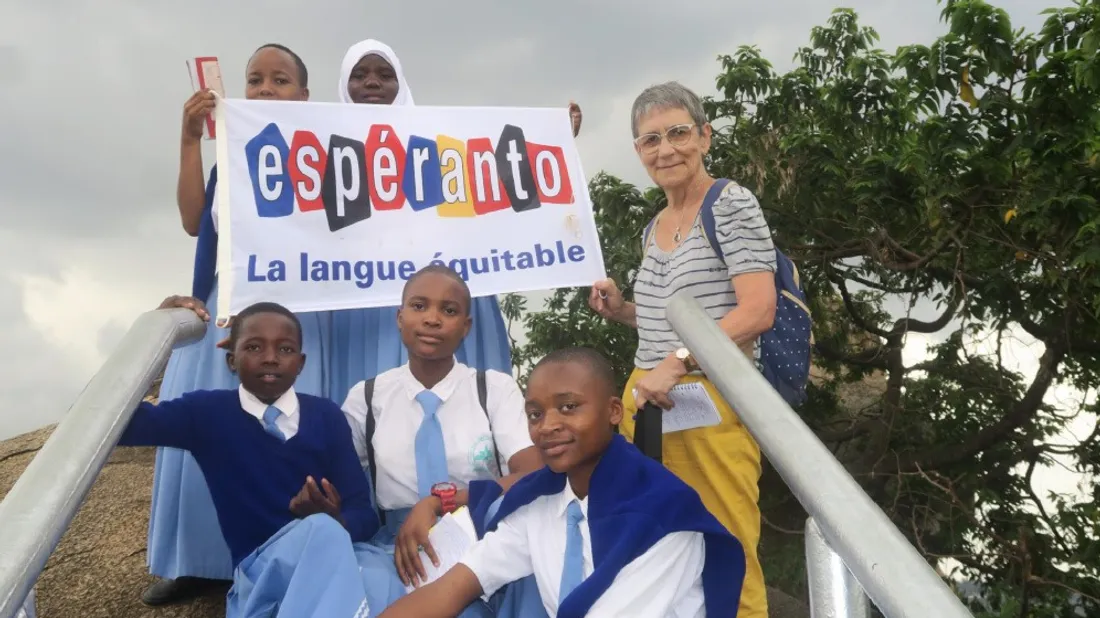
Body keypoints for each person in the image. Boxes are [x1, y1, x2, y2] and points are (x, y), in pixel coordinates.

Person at [144, 43, 330, 606]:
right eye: (255, 80)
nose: (266, 89)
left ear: (304, 95)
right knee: (206, 426)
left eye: (280, 80)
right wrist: (188, 137)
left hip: (295, 316)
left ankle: (290, 553)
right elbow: (193, 221)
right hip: (227, 310)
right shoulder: (230, 156)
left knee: (286, 433)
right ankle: (201, 561)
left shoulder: (325, 157)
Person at [587, 81, 778, 618]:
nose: (665, 149)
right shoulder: (655, 226)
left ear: (705, 136)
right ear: (638, 151)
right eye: (651, 140)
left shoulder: (731, 203)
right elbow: (665, 323)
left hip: (711, 406)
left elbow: (757, 310)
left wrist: (680, 361)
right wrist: (624, 309)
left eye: (677, 133)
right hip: (651, 409)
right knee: (664, 559)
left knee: (727, 553)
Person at [379, 347, 747, 618]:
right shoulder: (541, 500)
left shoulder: (662, 514)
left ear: (614, 412)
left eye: (568, 406)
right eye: (535, 413)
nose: (548, 425)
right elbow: (455, 586)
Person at [329, 38, 584, 400]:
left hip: (449, 296)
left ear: (401, 84)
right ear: (343, 84)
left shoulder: (437, 143)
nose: (372, 82)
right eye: (360, 74)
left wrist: (551, 143)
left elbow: (496, 186)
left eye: (385, 75)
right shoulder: (322, 150)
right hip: (363, 304)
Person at [120, 298, 379, 617]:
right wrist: (153, 335)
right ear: (232, 360)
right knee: (323, 537)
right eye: (254, 347)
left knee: (379, 574)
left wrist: (335, 519)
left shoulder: (326, 416)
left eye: (285, 350)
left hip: (335, 558)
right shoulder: (207, 414)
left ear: (301, 363)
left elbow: (364, 515)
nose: (270, 358)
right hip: (263, 572)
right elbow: (119, 424)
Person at [340, 265, 543, 616]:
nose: (432, 319)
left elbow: (533, 474)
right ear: (399, 317)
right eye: (419, 306)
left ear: (465, 327)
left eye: (448, 311)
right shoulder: (368, 397)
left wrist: (438, 504)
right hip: (392, 550)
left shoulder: (492, 389)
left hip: (480, 540)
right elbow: (336, 477)